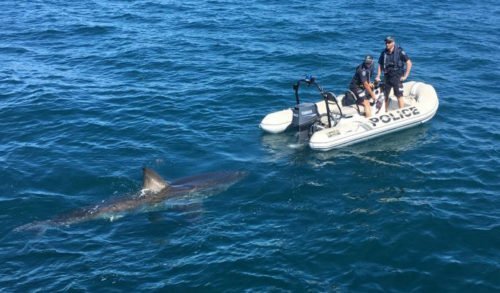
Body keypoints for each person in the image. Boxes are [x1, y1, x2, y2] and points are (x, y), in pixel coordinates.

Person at [375, 36, 412, 111]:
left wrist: (405, 76)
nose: (387, 44)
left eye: (389, 42)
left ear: (393, 43)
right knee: (385, 95)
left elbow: (409, 63)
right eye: (386, 42)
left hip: (397, 76)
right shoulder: (384, 52)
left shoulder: (400, 52)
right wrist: (378, 75)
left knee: (399, 95)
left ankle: (401, 111)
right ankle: (385, 111)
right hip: (387, 76)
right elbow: (380, 64)